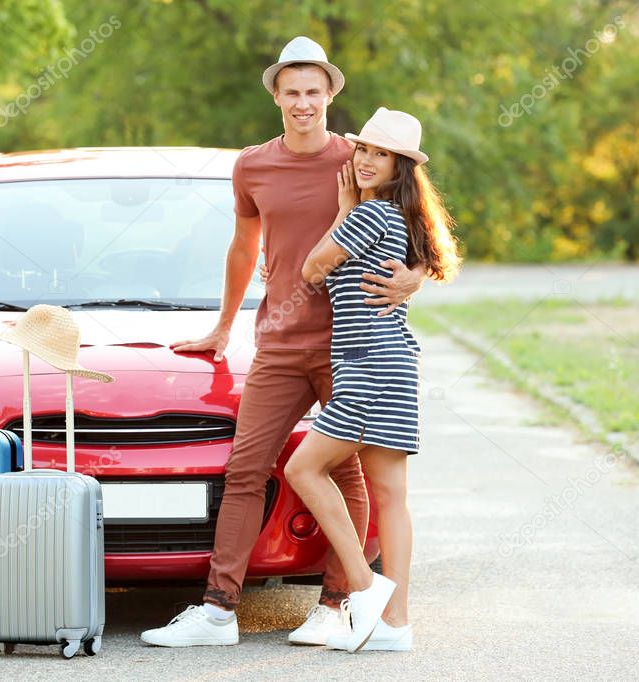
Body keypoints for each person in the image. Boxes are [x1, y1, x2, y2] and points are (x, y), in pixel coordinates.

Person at [139, 38, 429, 648]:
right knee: (246, 468)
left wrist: (417, 276)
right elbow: (244, 249)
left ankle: (336, 604)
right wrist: (224, 326)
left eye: (313, 92)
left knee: (346, 474)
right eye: (291, 92)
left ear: (330, 96)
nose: (303, 103)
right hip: (277, 340)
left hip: (349, 343)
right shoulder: (252, 166)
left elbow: (415, 211)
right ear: (276, 95)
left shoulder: (360, 157)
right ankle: (219, 611)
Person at [284, 107, 460, 652]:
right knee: (392, 497)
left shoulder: (367, 215)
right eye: (363, 149)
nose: (365, 160)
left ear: (399, 167)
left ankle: (364, 591)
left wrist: (343, 212)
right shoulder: (406, 220)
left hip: (367, 365)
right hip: (396, 364)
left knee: (303, 468)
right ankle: (395, 625)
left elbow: (312, 269)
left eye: (380, 154)